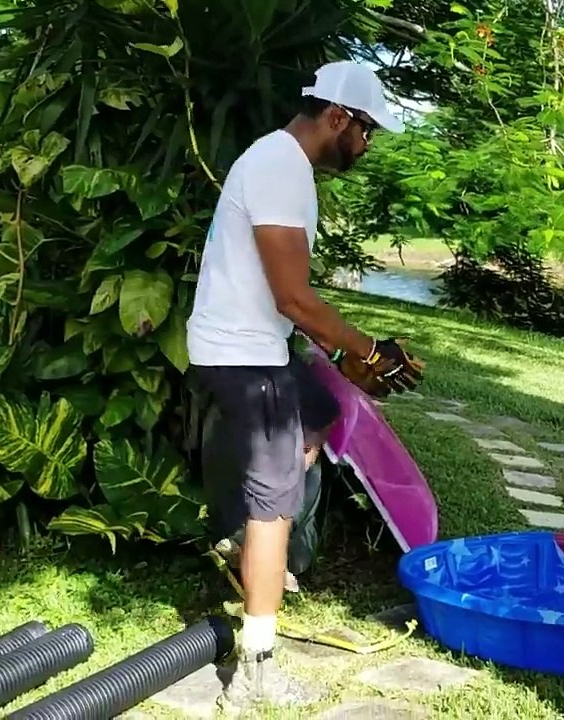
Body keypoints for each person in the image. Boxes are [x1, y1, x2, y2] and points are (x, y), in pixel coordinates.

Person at [185, 60, 422, 709]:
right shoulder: (280, 168)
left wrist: (347, 363)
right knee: (276, 504)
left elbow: (279, 295)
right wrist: (372, 349)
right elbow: (294, 296)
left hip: (249, 347)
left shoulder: (282, 165)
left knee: (317, 407)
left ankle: (249, 533)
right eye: (367, 131)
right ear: (338, 118)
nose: (367, 146)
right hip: (244, 359)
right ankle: (256, 668)